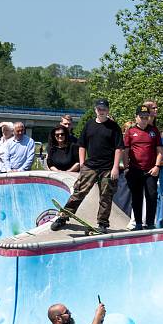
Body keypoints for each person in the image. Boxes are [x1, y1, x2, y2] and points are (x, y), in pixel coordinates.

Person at [50, 99, 123, 234]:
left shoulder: (114, 127)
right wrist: (82, 163)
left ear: (108, 110)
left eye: (104, 109)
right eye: (99, 109)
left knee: (106, 196)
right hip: (90, 166)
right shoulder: (89, 125)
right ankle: (63, 217)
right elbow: (82, 145)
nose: (101, 111)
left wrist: (115, 167)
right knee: (79, 192)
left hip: (107, 168)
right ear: (96, 110)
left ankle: (102, 223)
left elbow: (119, 148)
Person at [123, 105, 163, 230]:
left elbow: (160, 150)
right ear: (136, 117)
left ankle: (150, 223)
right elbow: (126, 151)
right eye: (142, 117)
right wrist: (126, 167)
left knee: (151, 195)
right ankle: (138, 223)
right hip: (135, 169)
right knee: (137, 197)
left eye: (146, 117)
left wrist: (157, 166)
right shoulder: (130, 132)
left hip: (151, 170)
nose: (144, 119)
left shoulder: (154, 131)